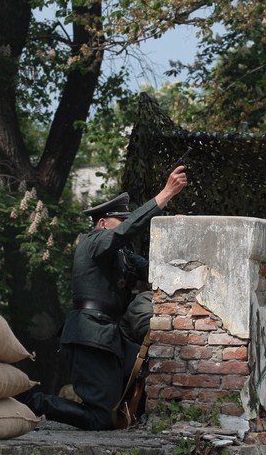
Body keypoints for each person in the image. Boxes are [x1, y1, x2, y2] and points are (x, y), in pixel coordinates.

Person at [19, 166, 188, 430]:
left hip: (110, 336)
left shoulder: (122, 255)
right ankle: (32, 401)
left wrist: (180, 233)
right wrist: (165, 195)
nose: (126, 226)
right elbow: (127, 231)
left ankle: (151, 419)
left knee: (155, 363)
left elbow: (157, 269)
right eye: (121, 220)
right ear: (102, 224)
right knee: (100, 418)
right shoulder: (93, 241)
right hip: (89, 337)